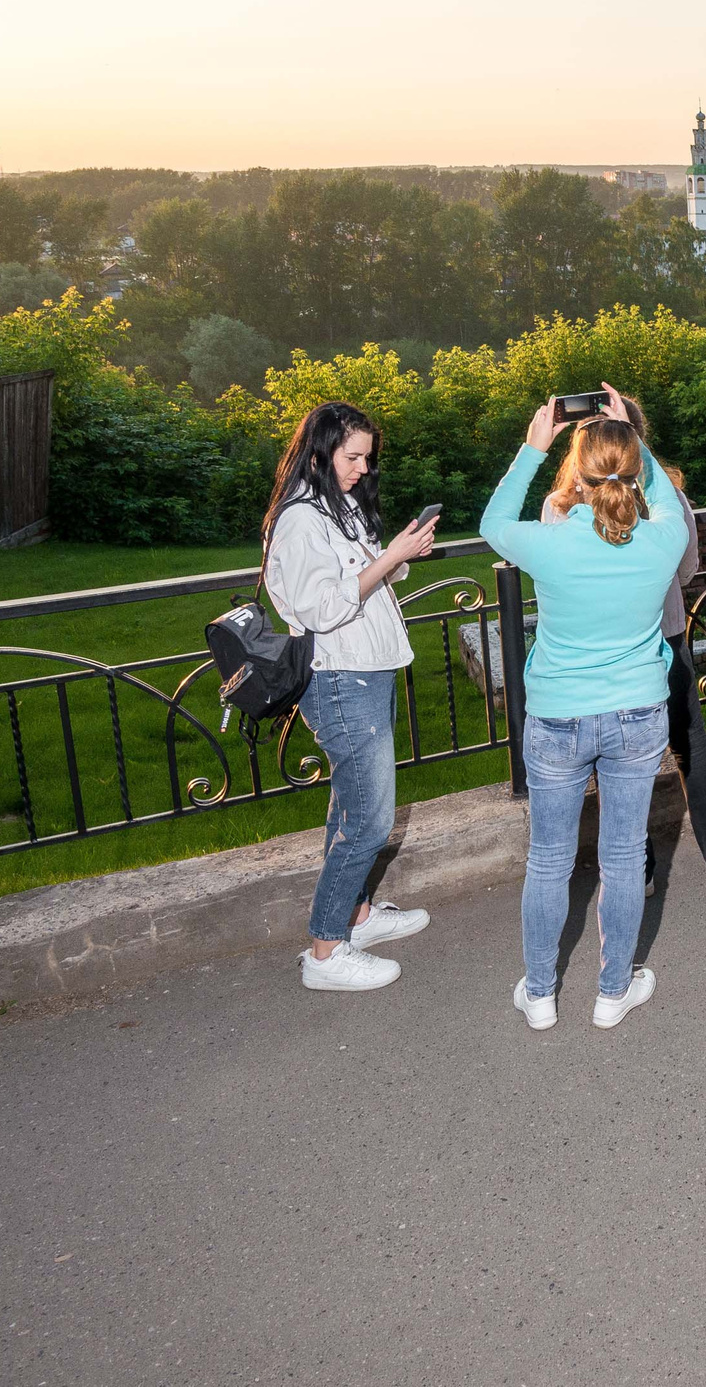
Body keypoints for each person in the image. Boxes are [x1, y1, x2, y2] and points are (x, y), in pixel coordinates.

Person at [482, 384, 688, 1030]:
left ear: (574, 469)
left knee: (549, 858)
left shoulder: (548, 542)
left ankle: (540, 994)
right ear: (634, 467)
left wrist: (530, 448)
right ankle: (611, 993)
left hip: (558, 718)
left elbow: (491, 525)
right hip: (636, 714)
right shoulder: (661, 542)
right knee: (624, 855)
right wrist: (635, 437)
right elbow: (662, 500)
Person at [547, 397, 706, 899]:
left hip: (595, 650)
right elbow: (685, 570)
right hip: (663, 637)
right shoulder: (665, 502)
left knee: (610, 759)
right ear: (638, 442)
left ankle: (632, 868)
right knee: (690, 744)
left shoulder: (558, 509)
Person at [263, 401, 438, 992]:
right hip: (340, 679)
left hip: (368, 670)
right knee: (369, 818)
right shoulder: (300, 520)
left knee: (348, 807)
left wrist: (399, 558)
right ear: (319, 452)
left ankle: (354, 917)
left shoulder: (336, 508)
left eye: (368, 457)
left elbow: (358, 582)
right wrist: (389, 558)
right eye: (352, 456)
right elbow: (321, 606)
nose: (363, 468)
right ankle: (325, 950)